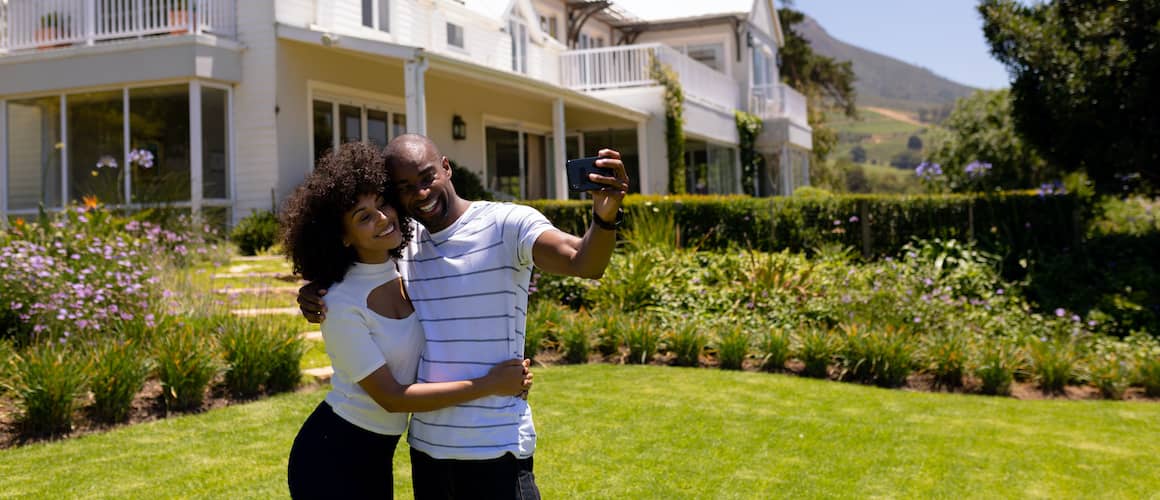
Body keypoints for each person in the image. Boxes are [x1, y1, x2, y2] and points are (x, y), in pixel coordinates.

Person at [298, 134, 628, 499]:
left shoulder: (508, 223)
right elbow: (353, 273)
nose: (420, 193)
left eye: (427, 178)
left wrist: (605, 217)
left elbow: (584, 261)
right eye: (405, 188)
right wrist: (315, 292)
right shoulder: (404, 248)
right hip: (428, 451)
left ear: (446, 167)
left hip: (496, 448)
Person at [281, 142, 533, 499]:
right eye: (363, 217)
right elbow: (394, 398)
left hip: (377, 454)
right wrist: (490, 383)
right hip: (332, 457)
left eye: (381, 203)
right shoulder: (338, 303)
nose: (382, 218)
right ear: (343, 237)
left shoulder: (405, 268)